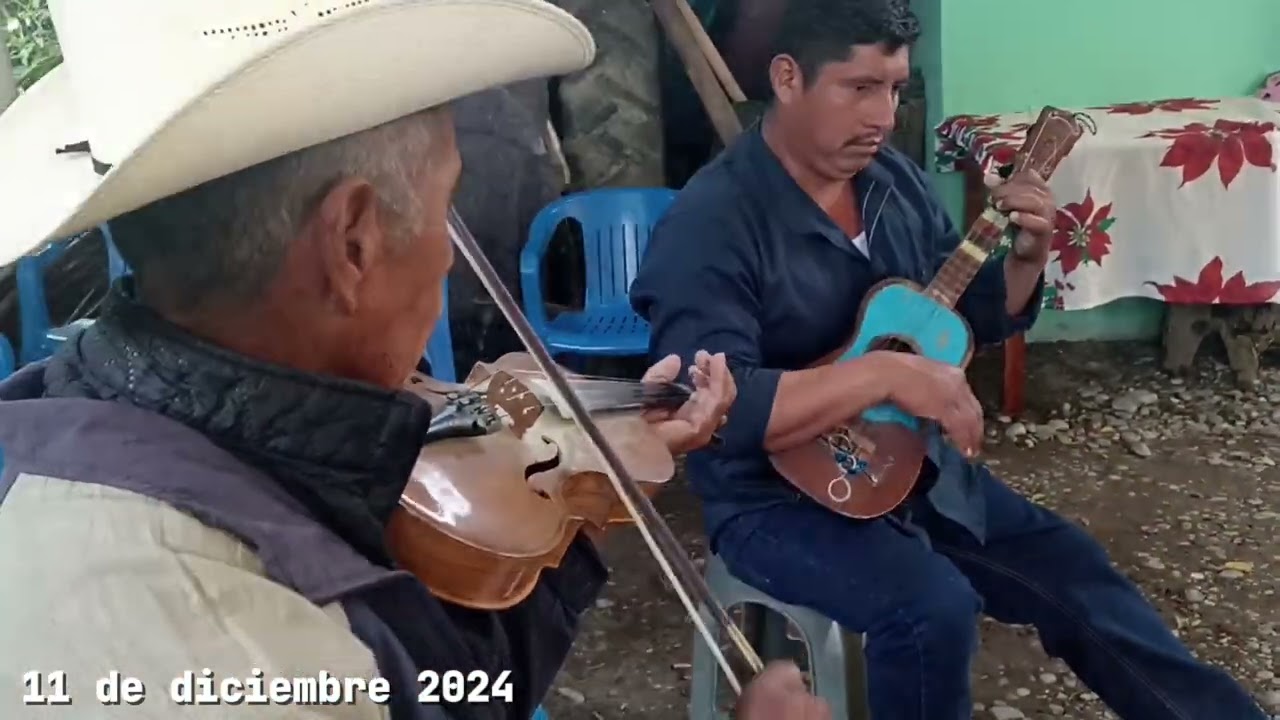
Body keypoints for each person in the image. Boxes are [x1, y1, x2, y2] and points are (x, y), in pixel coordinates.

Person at [0, 2, 829, 719]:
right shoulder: (252, 659)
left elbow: (444, 685)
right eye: (445, 207)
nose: (445, 255)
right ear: (353, 243)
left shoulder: (102, 416)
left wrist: (600, 457)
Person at [628, 1, 1270, 719]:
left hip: (915, 468)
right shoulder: (712, 222)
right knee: (931, 608)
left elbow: (966, 315)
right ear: (786, 78)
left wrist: (1030, 256)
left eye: (896, 89)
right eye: (859, 87)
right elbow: (714, 406)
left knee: (1074, 570)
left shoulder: (892, 182)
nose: (881, 114)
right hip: (773, 501)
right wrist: (885, 374)